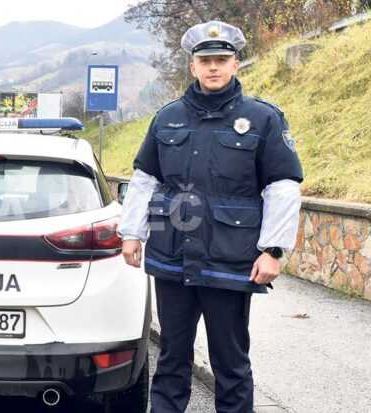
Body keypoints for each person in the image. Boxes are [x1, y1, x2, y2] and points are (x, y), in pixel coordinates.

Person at [117, 21, 303, 413]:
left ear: (236, 64)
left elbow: (282, 186)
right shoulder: (167, 117)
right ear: (193, 66)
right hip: (173, 257)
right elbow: (145, 179)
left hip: (230, 261)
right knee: (171, 358)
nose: (213, 67)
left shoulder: (262, 119)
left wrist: (273, 250)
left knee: (230, 363)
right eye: (205, 61)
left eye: (221, 59)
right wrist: (131, 233)